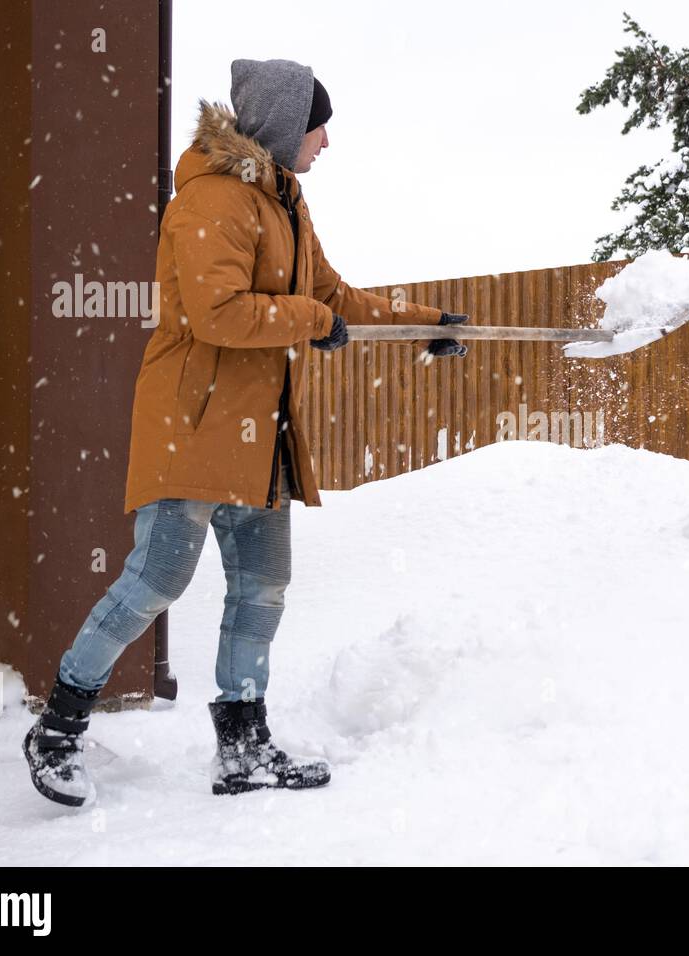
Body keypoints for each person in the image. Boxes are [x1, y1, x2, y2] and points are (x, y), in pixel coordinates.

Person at [23, 59, 469, 806]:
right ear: (285, 125)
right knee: (156, 581)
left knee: (262, 590)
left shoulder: (283, 203)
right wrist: (314, 322)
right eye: (319, 125)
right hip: (192, 428)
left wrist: (424, 326)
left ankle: (244, 747)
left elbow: (332, 296)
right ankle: (58, 727)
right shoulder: (212, 201)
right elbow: (218, 312)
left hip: (260, 436)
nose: (326, 142)